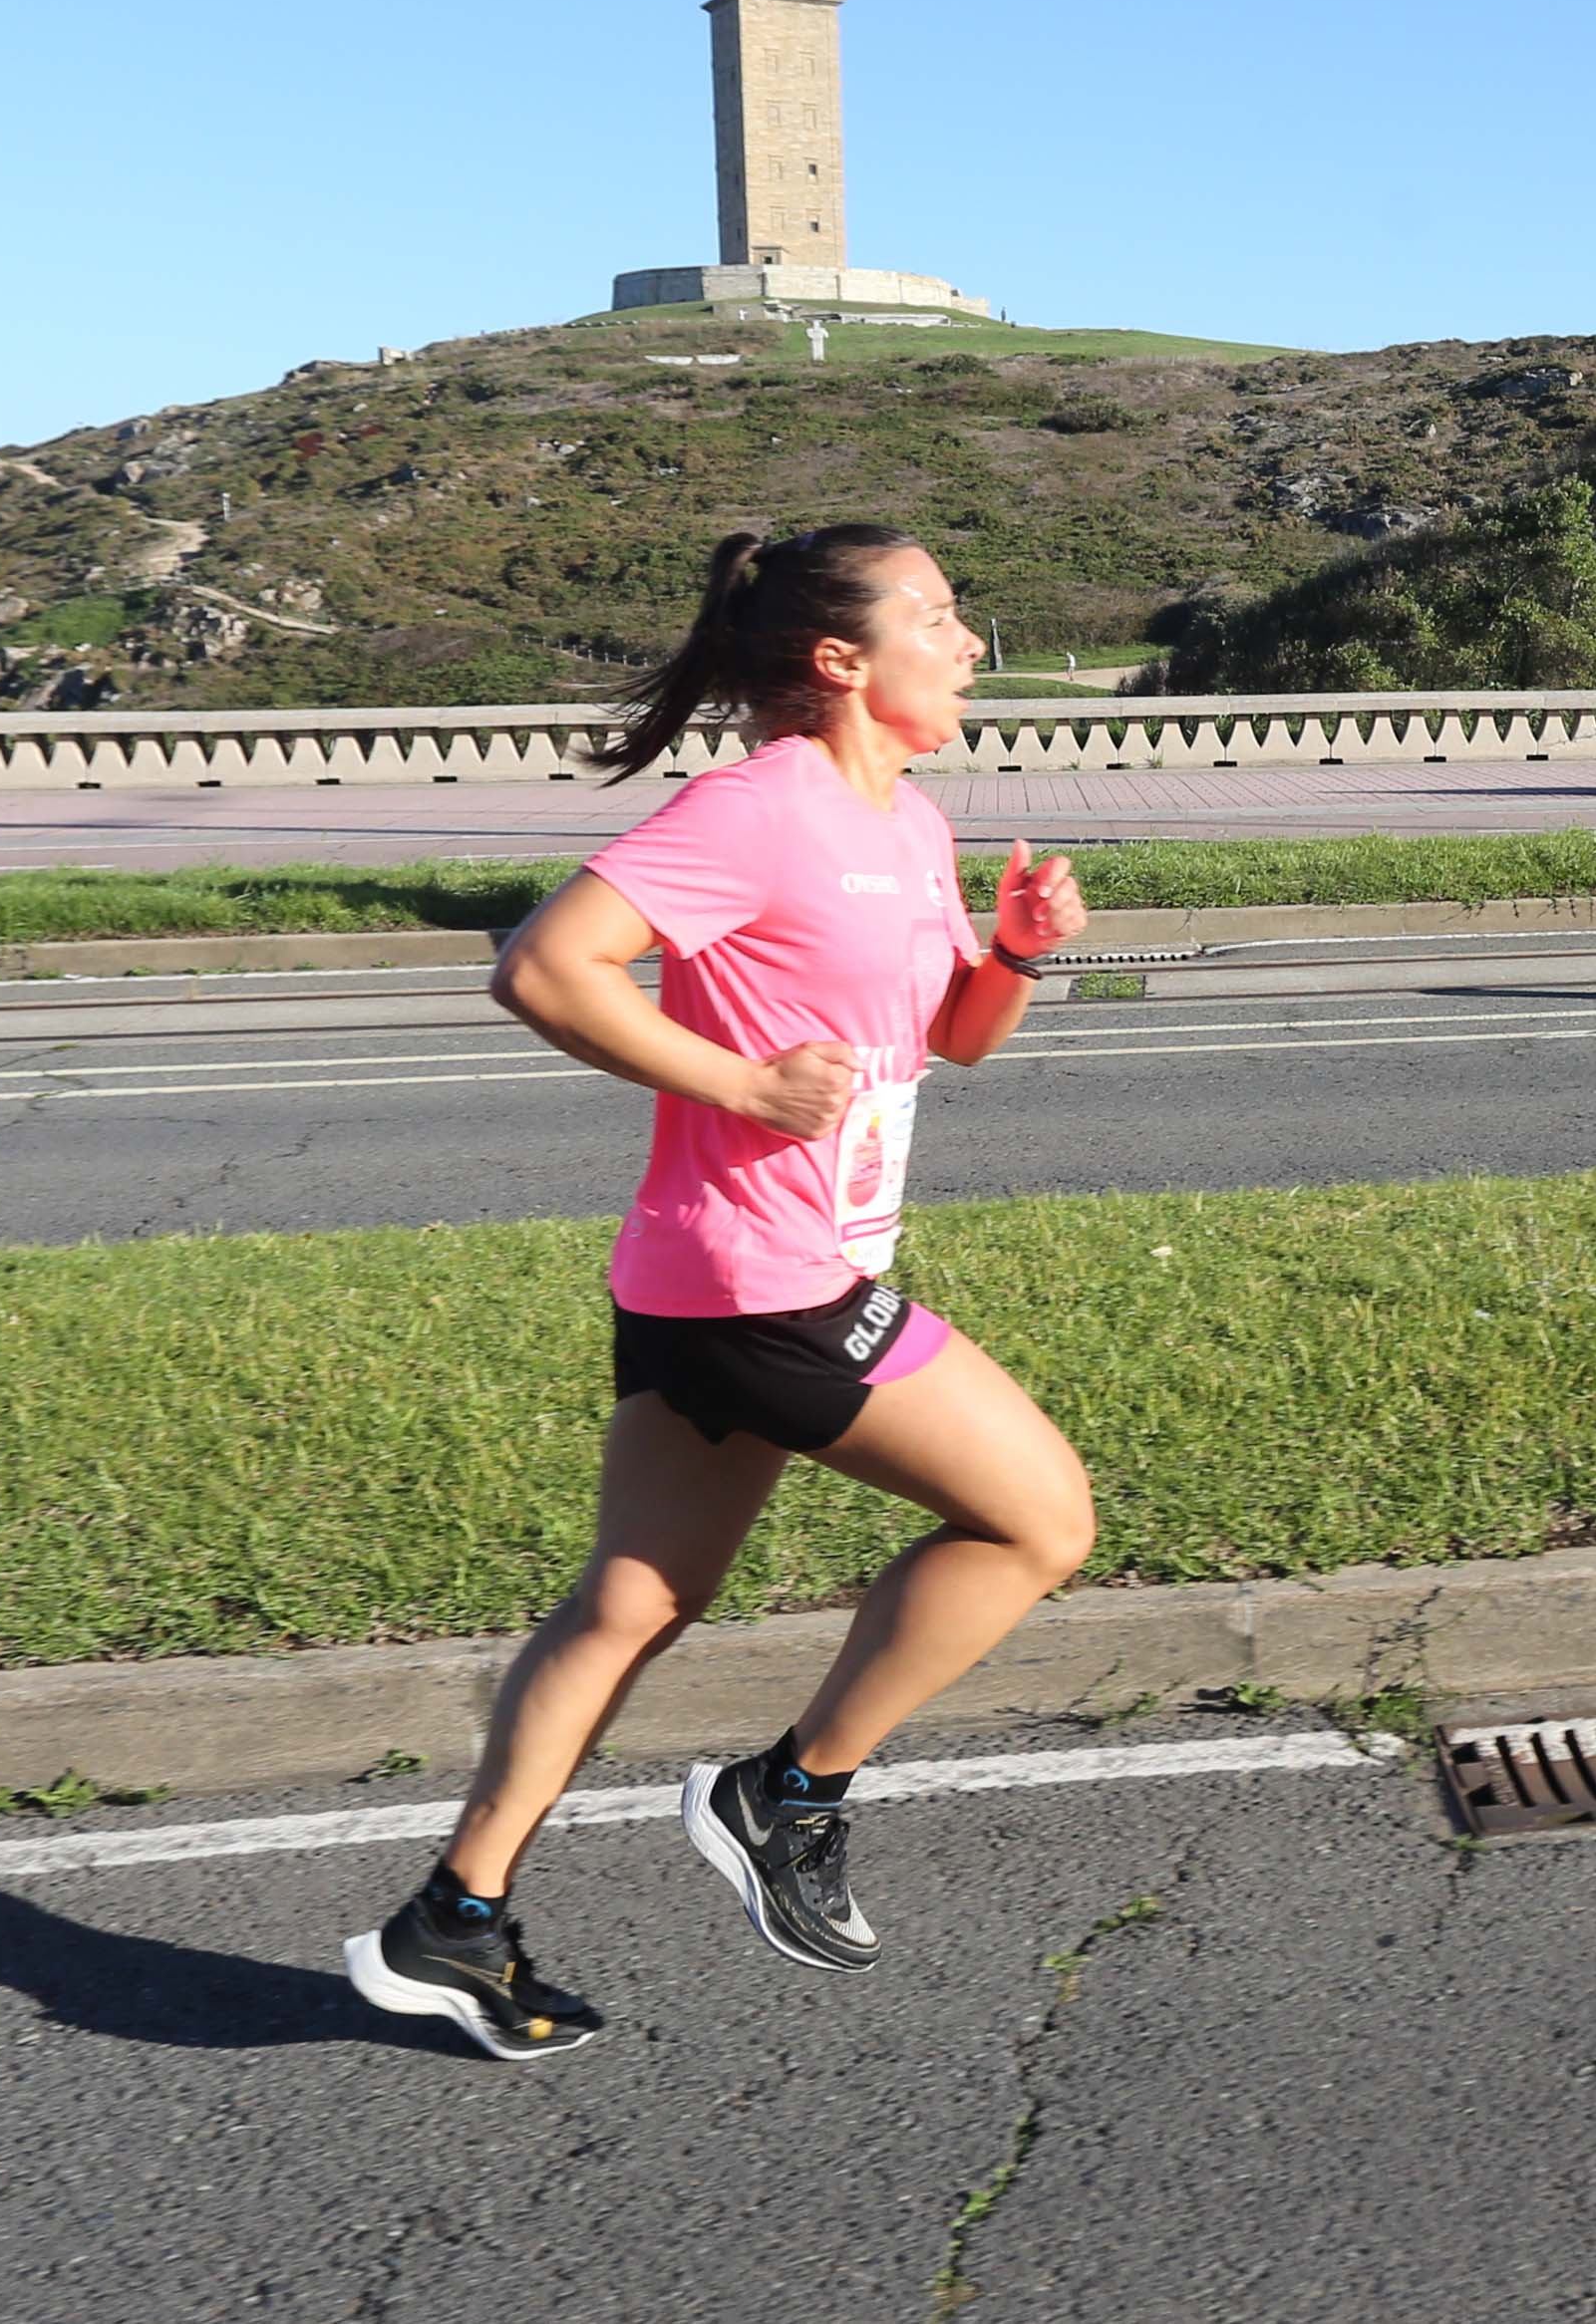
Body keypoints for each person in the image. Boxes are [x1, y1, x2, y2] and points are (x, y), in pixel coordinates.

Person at [342, 522, 1094, 2060]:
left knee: (635, 1598)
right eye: (938, 618)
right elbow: (548, 967)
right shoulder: (753, 809)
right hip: (769, 1281)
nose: (966, 646)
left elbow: (952, 1036)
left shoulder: (907, 817)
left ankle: (453, 1919)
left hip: (716, 1274)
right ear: (840, 661)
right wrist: (743, 1082)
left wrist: (1012, 952)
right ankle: (789, 1791)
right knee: (1041, 1519)